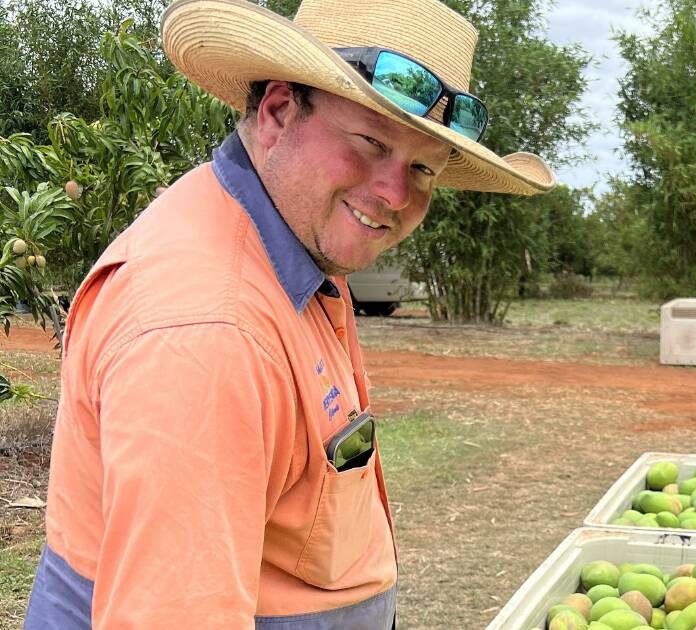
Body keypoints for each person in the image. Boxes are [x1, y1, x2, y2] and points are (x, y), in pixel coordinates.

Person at [23, 0, 553, 627]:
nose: (395, 194)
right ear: (277, 110)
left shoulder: (283, 245)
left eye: (421, 168)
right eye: (371, 142)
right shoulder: (212, 334)